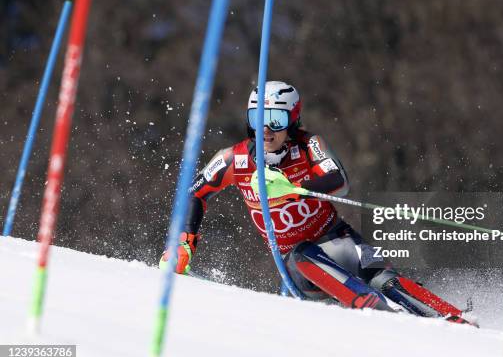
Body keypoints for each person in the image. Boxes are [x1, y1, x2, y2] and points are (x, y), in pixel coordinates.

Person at [160, 81, 474, 325]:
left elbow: (339, 179)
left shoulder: (309, 146)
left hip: (338, 237)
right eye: (257, 118)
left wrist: (295, 188)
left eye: (276, 119)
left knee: (385, 278)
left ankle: (452, 318)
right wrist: (185, 244)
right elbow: (194, 194)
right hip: (301, 266)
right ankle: (375, 311)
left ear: (292, 120)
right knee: (300, 253)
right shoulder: (234, 159)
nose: (266, 129)